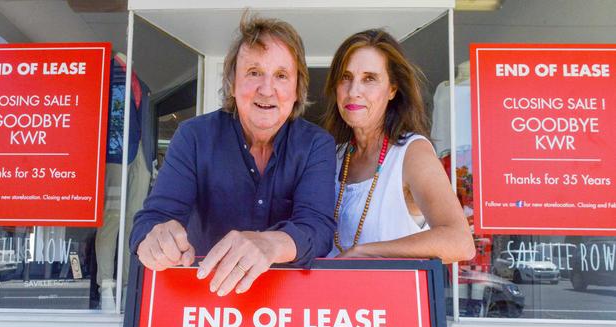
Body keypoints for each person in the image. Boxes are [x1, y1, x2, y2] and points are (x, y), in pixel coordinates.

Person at [129, 14, 336, 296]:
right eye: (254, 72)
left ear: (297, 89)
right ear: (232, 82)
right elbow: (151, 220)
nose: (267, 89)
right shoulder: (193, 137)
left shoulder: (316, 144)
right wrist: (154, 240)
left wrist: (269, 244)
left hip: (290, 306)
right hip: (206, 302)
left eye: (281, 76)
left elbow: (317, 229)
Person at [323, 29, 475, 263]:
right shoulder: (332, 156)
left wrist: (365, 251)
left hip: (388, 299)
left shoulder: (411, 153)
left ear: (392, 89)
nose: (354, 91)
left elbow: (460, 242)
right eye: (346, 77)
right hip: (329, 299)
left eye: (369, 79)